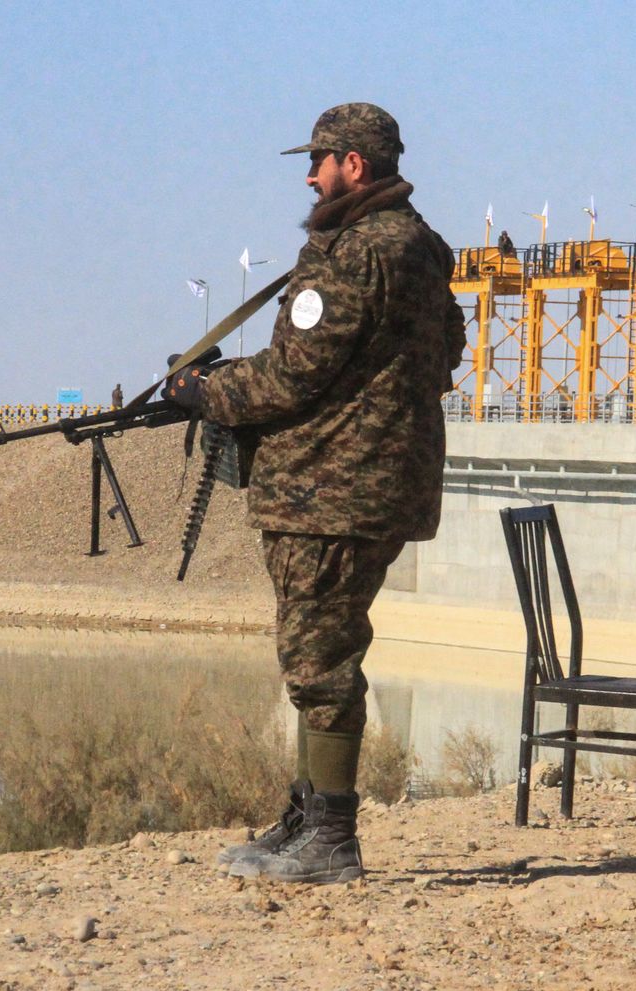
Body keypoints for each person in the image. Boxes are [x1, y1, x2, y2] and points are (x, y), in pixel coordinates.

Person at [162, 103, 464, 884]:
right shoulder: (424, 247)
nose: (310, 174)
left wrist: (209, 392)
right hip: (382, 481)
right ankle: (307, 817)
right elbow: (448, 347)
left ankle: (331, 840)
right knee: (320, 646)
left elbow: (296, 371)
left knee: (318, 656)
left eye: (321, 159)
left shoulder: (351, 251)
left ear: (354, 165)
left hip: (329, 490)